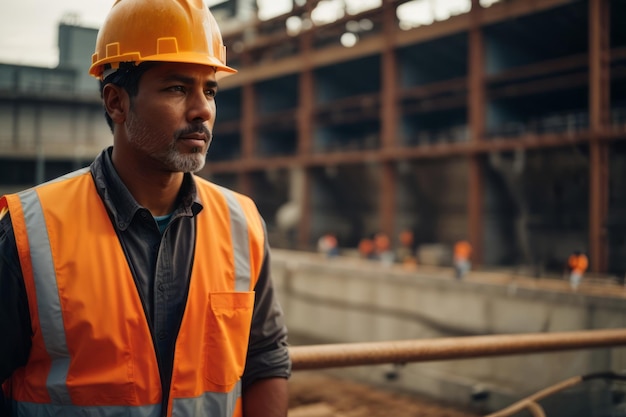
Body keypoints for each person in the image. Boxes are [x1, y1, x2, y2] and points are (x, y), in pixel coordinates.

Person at [0, 1, 291, 416]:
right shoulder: (29, 233)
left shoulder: (242, 223)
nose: (202, 109)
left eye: (209, 90)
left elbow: (264, 359)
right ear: (116, 102)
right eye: (176, 88)